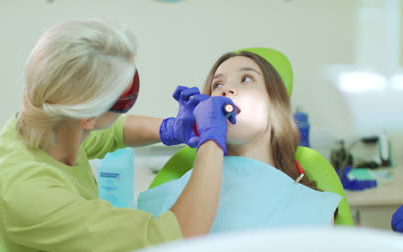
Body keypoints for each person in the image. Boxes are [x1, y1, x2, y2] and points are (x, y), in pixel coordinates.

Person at [0, 19, 237, 252]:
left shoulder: (44, 122)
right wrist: (211, 141)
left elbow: (112, 132)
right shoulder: (27, 193)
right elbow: (174, 237)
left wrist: (170, 128)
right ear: (88, 116)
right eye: (124, 94)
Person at [138, 48, 342, 231]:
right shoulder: (174, 196)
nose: (226, 90)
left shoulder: (313, 209)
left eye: (246, 79)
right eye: (217, 84)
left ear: (274, 105)